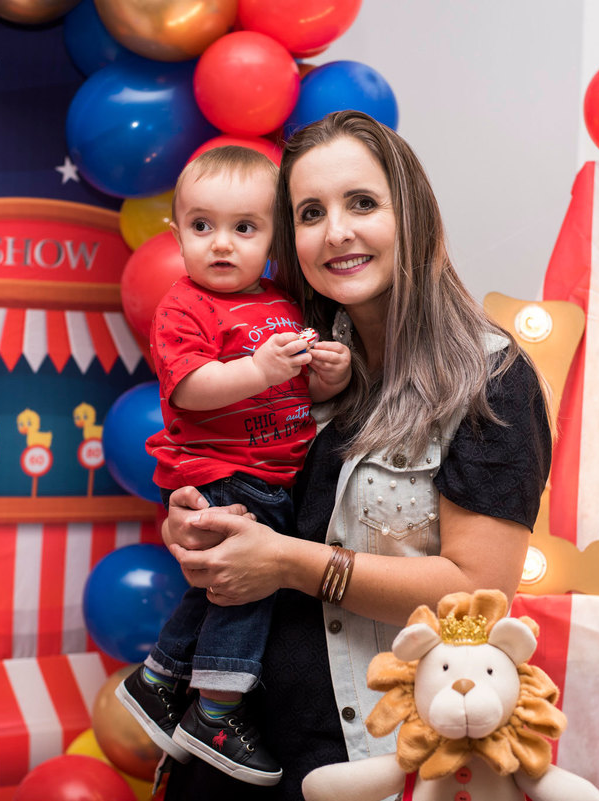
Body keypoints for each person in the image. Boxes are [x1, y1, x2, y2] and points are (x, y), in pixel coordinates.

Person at [157, 111, 552, 800]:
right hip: (228, 746)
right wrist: (198, 520)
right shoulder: (293, 367)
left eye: (362, 203)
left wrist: (286, 561)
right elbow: (238, 480)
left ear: (413, 214)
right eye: (310, 212)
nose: (336, 231)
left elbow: (477, 595)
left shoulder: (489, 379)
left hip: (358, 761)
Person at [116, 145, 352, 788]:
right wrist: (260, 368)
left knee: (218, 586)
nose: (221, 245)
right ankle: (216, 711)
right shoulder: (184, 306)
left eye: (243, 228)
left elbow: (290, 395)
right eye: (202, 226)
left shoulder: (282, 304)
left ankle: (160, 678)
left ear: (275, 235)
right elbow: (191, 388)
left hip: (274, 469)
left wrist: (325, 379)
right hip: (222, 469)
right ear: (177, 230)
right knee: (248, 588)